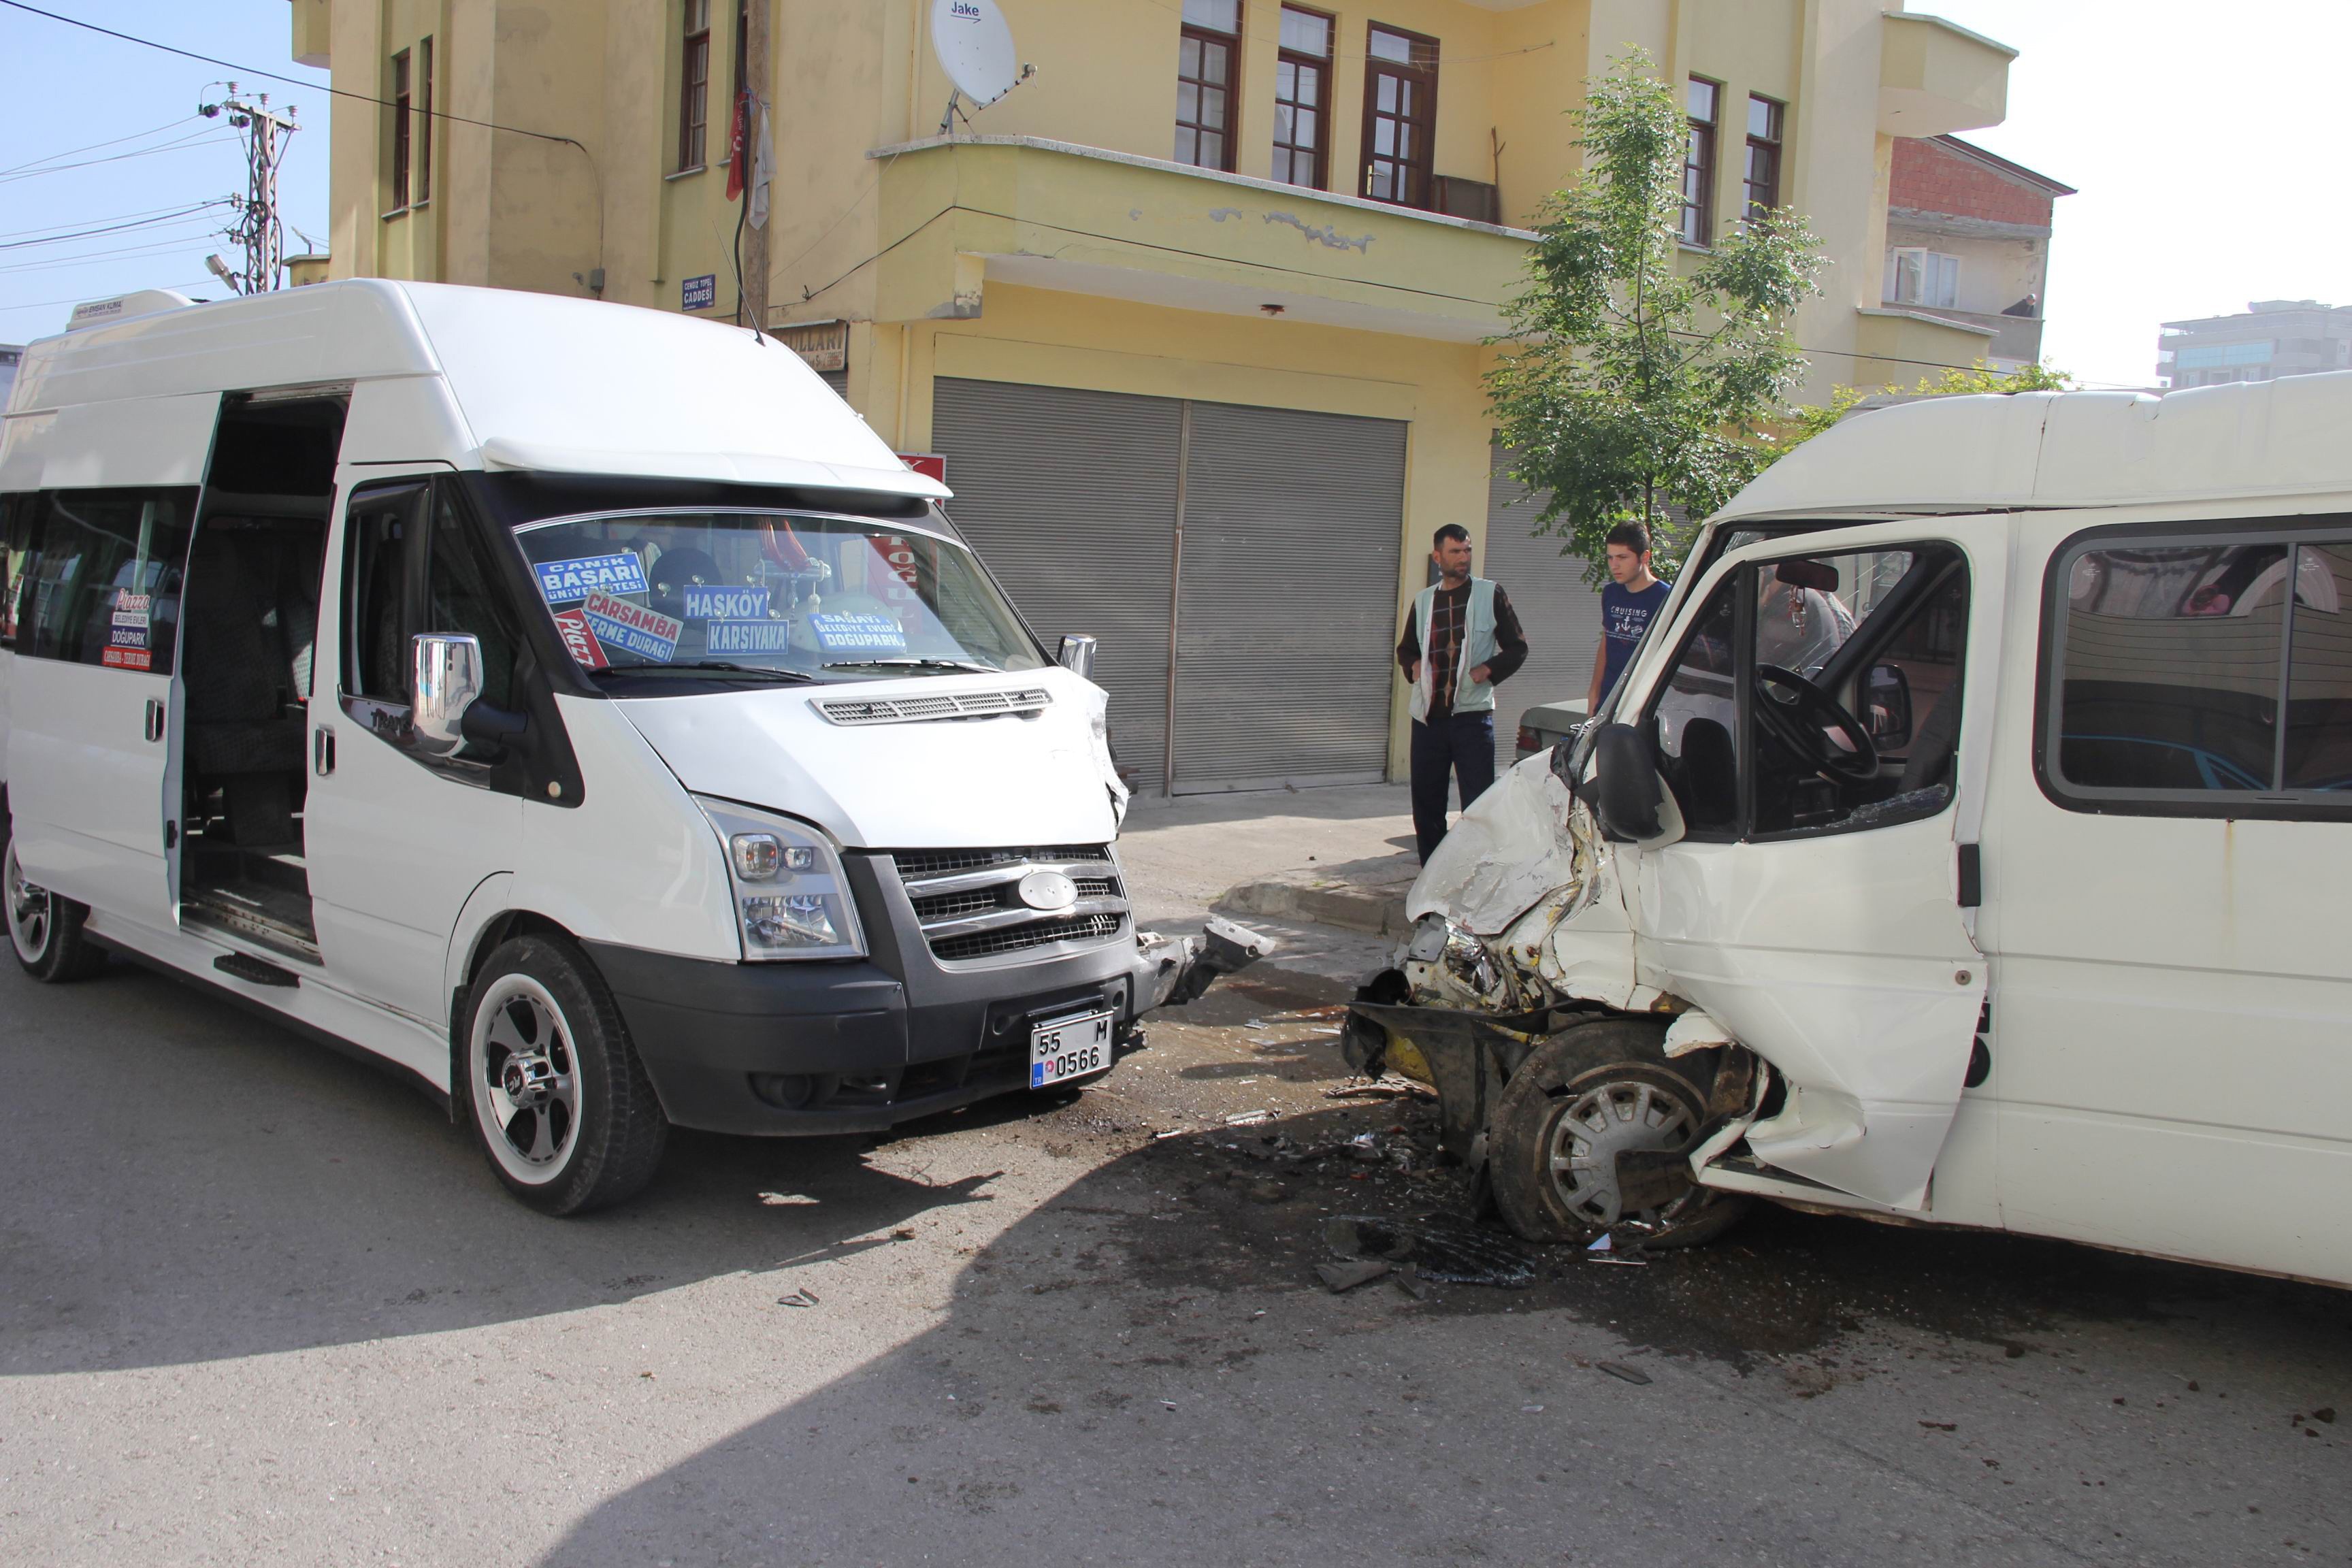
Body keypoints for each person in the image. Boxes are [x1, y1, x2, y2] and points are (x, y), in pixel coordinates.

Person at [1396, 523, 1529, 862]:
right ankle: (1431, 874)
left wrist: (1489, 670)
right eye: (1456, 551)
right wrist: (1413, 667)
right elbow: (1406, 649)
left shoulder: (1490, 593)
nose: (1463, 558)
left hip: (1472, 718)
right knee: (1427, 804)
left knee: (1478, 805)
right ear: (1438, 556)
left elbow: (1517, 647)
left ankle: (1476, 873)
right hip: (1428, 720)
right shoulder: (1425, 600)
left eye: (1467, 550)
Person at [1586, 521, 1673, 718]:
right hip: (1609, 700)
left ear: (1645, 557)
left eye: (1622, 557)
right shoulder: (1611, 592)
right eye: (1610, 558)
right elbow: (1607, 642)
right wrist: (1594, 695)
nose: (1614, 565)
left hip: (1644, 703)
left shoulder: (1666, 597)